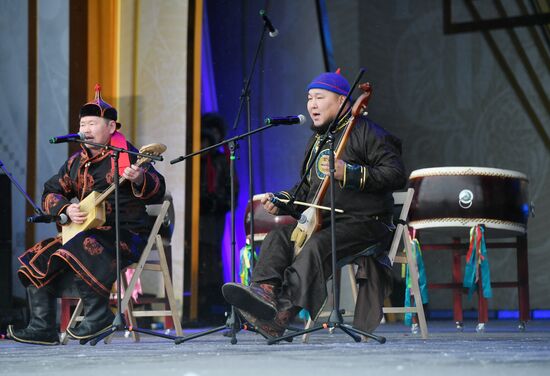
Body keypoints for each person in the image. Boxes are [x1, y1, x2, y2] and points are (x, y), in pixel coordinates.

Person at [222, 70, 407, 339]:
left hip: (365, 224)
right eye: (309, 98)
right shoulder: (319, 141)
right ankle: (264, 294)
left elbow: (396, 174)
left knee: (317, 246)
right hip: (327, 222)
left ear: (342, 101)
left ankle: (279, 318)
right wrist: (281, 201)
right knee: (277, 238)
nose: (312, 105)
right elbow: (307, 192)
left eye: (320, 97)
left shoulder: (370, 133)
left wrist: (351, 173)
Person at [7, 84, 166, 345]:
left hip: (126, 234)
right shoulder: (74, 163)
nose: (85, 130)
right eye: (83, 124)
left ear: (112, 127)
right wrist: (65, 208)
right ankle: (42, 327)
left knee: (82, 245)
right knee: (38, 255)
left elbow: (157, 190)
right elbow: (50, 192)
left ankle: (99, 315)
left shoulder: (128, 155)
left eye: (92, 123)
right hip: (86, 232)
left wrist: (139, 180)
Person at [198, 113, 232, 322]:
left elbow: (231, 192)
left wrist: (216, 203)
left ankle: (211, 304)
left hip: (213, 217)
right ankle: (200, 303)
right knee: (199, 255)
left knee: (211, 257)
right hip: (195, 218)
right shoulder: (194, 162)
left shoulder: (221, 161)